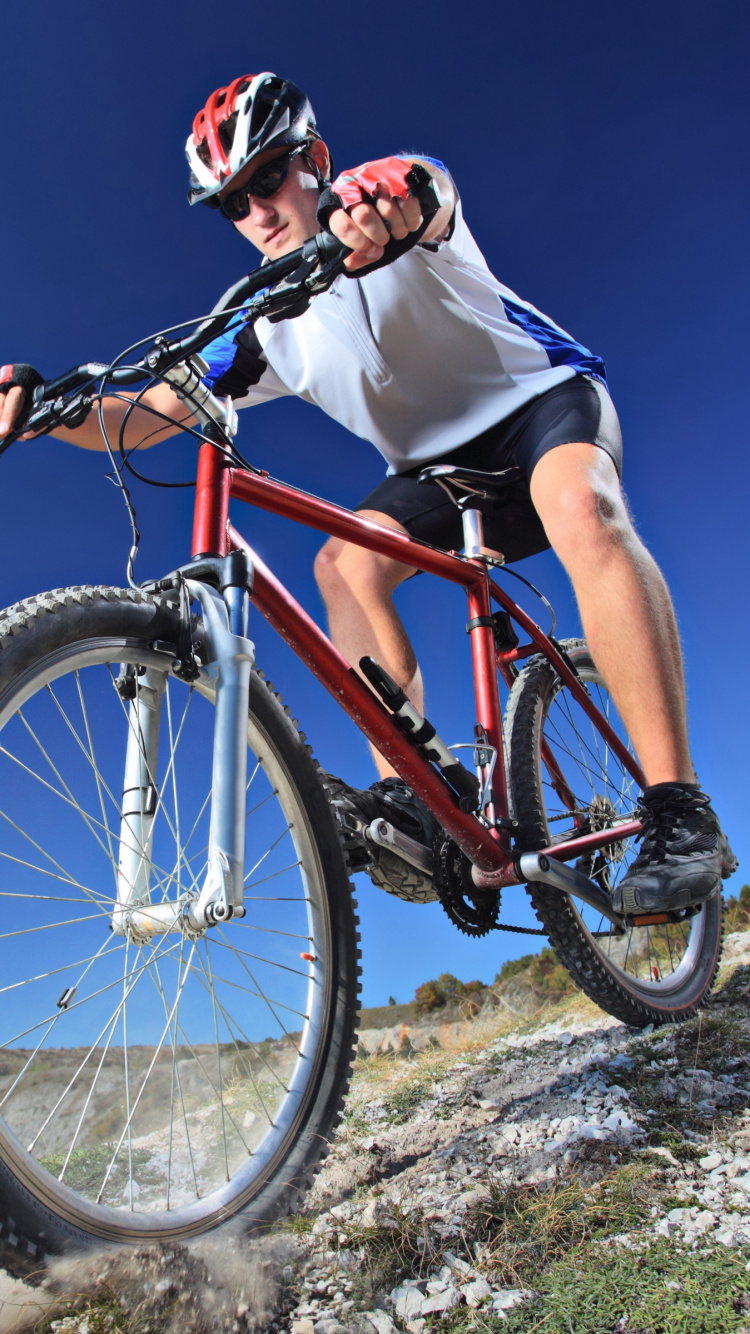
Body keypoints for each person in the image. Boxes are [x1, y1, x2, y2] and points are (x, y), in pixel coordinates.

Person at [0, 72, 735, 917]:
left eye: (268, 179)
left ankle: (679, 812)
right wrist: (42, 410)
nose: (259, 211)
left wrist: (392, 195)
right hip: (433, 470)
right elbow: (153, 409)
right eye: (234, 203)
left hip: (541, 407)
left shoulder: (386, 218)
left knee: (582, 509)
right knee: (342, 565)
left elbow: (424, 188)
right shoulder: (262, 324)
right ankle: (417, 799)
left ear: (312, 159)